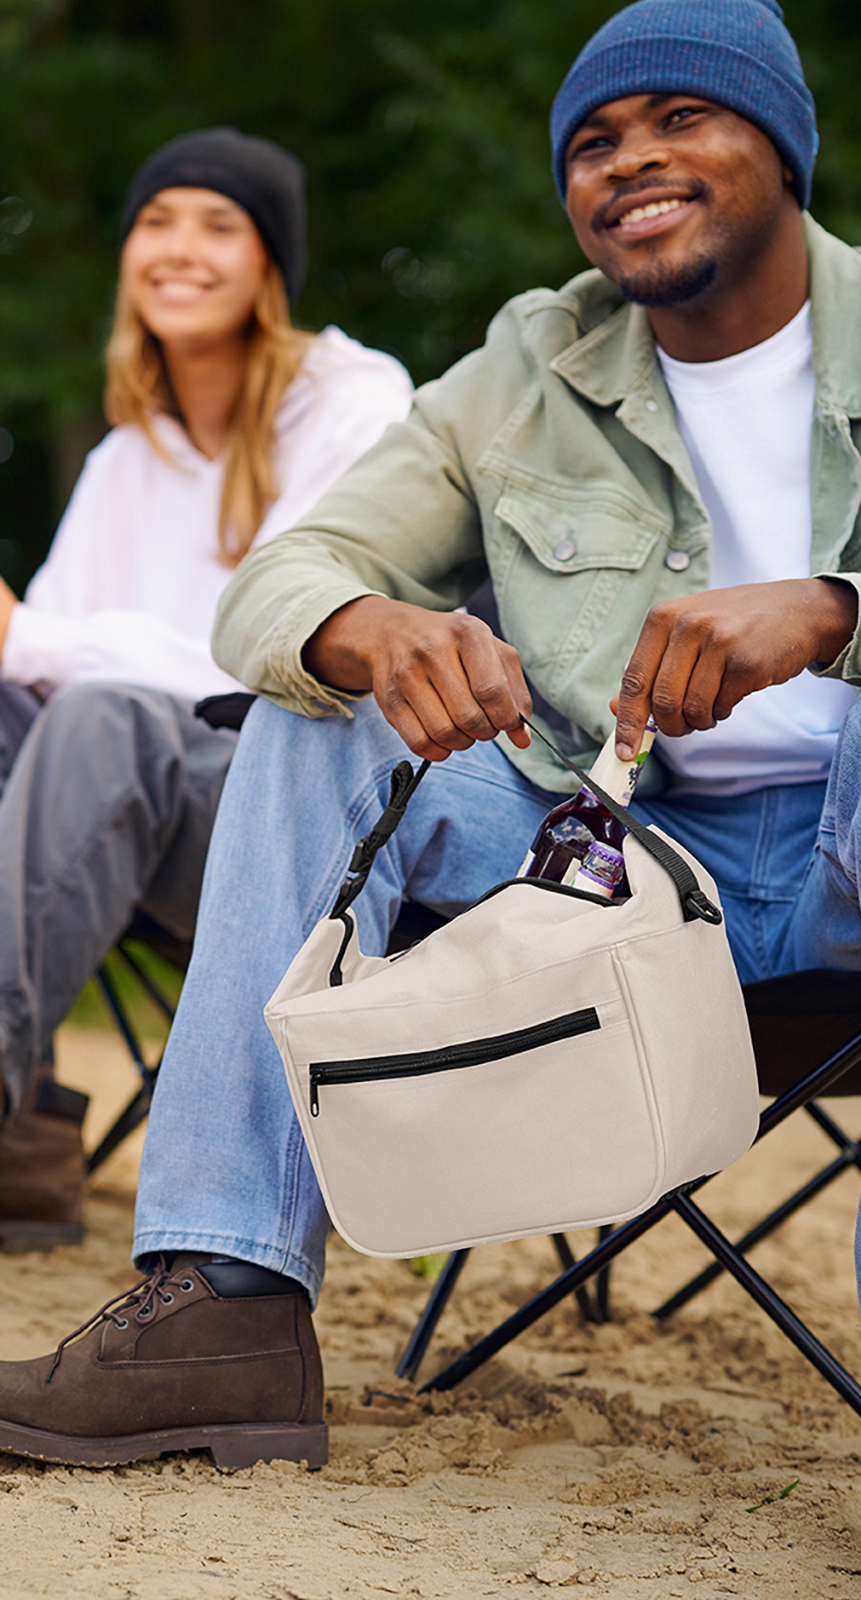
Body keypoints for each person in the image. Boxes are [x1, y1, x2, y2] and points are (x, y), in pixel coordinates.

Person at [1, 3, 861, 1593]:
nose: (628, 160)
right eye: (591, 141)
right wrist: (372, 628)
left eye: (678, 120)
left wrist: (846, 611)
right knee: (309, 712)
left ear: (783, 146)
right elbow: (284, 577)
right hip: (609, 869)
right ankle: (221, 1292)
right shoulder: (526, 364)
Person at [0, 126, 413, 1249]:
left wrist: (25, 633)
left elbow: (277, 656)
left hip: (297, 819)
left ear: (271, 265)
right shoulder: (124, 456)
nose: (179, 249)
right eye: (155, 221)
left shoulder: (355, 404)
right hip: (110, 818)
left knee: (97, 714)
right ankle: (24, 1125)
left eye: (218, 226)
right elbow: (30, 669)